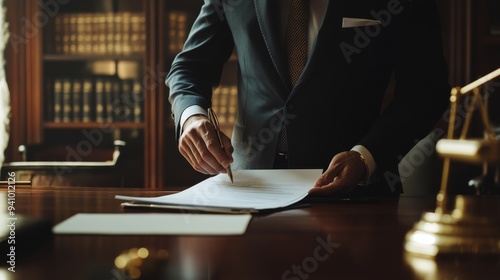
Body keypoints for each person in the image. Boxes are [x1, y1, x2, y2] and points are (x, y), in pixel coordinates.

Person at [166, 0, 450, 196]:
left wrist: (365, 157)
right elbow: (189, 68)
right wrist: (191, 117)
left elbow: (426, 91)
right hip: (249, 187)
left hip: (357, 194)